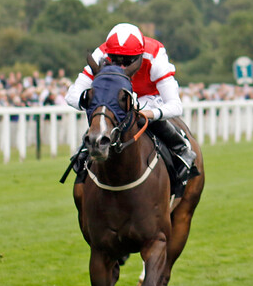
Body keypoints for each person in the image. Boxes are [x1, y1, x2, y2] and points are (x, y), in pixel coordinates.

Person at [65, 23, 196, 183]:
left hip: (149, 97)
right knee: (105, 115)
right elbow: (72, 96)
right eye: (115, 61)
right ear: (108, 55)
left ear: (139, 56)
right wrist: (99, 106)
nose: (121, 67)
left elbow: (175, 106)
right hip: (116, 101)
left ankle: (180, 147)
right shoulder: (100, 54)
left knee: (138, 116)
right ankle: (86, 151)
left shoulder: (154, 56)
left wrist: (147, 113)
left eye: (128, 62)